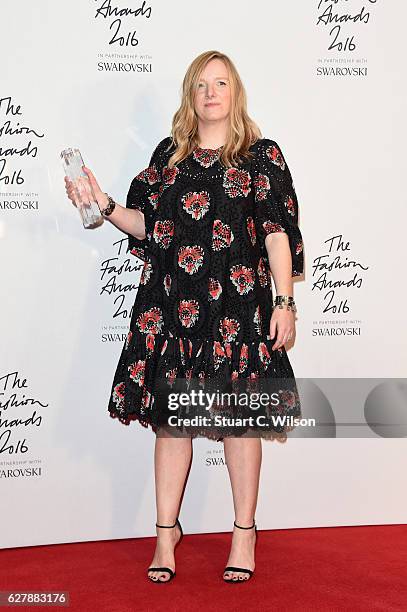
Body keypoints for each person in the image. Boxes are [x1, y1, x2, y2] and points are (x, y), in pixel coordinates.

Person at [64, 50, 304, 584]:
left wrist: (284, 302)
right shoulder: (168, 158)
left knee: (242, 424)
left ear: (235, 92)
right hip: (172, 310)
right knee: (172, 427)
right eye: (200, 84)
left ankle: (245, 532)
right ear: (190, 96)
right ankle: (165, 533)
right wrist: (102, 204)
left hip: (239, 311)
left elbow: (276, 235)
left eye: (220, 82)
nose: (210, 92)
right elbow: (148, 226)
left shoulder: (261, 157)